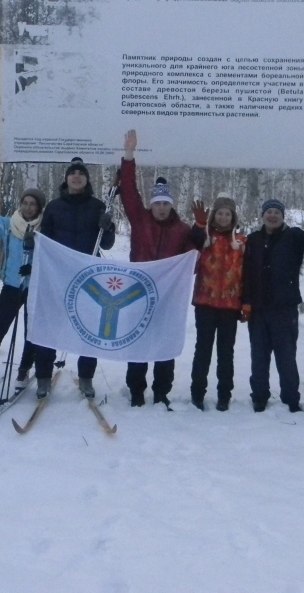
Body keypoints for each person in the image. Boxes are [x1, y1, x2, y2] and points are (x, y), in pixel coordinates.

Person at [119, 129, 196, 407]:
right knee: (138, 341)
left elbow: (192, 262)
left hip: (168, 299)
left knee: (164, 344)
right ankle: (136, 390)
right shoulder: (140, 221)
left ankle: (162, 391)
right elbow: (128, 191)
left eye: (166, 204)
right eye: (157, 204)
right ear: (151, 206)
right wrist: (129, 156)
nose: (161, 208)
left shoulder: (182, 230)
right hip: (138, 293)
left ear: (171, 205)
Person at [241, 187, 304, 413]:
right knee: (259, 357)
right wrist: (245, 301)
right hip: (259, 310)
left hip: (284, 309)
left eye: (277, 212)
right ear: (263, 216)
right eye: (269, 211)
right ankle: (259, 396)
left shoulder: (294, 237)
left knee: (286, 358)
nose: (272, 215)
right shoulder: (252, 240)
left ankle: (291, 398)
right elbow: (244, 274)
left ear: (283, 216)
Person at [37, 157, 116, 399]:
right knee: (49, 325)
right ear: (67, 178)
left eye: (81, 173)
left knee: (88, 327)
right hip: (58, 274)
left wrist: (108, 227)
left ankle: (86, 378)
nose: (77, 176)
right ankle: (42, 377)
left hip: (88, 276)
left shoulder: (97, 206)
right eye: (73, 173)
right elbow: (45, 240)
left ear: (86, 179)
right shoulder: (53, 206)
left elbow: (107, 243)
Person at [0, 172, 46, 390]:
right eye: (25, 202)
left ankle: (23, 371)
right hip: (13, 286)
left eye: (33, 204)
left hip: (34, 288)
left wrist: (33, 267)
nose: (28, 207)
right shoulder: (9, 225)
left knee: (31, 332)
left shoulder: (45, 229)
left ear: (39, 207)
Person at [188, 193, 246, 411]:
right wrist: (199, 224)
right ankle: (197, 393)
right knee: (202, 349)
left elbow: (247, 273)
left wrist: (246, 302)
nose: (223, 217)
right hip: (205, 302)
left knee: (226, 352)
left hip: (230, 306)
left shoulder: (240, 242)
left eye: (227, 214)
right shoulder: (205, 238)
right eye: (219, 213)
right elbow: (192, 239)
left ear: (233, 217)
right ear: (214, 216)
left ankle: (224, 395)